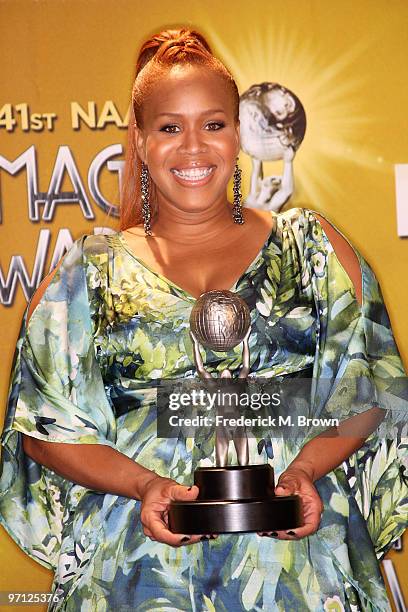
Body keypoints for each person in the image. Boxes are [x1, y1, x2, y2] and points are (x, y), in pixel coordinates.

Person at [0, 27, 406, 612]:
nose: (193, 147)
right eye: (170, 128)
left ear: (237, 133)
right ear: (140, 141)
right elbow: (46, 430)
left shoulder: (314, 251)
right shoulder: (86, 276)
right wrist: (143, 485)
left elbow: (368, 393)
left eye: (212, 124)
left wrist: (306, 472)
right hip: (140, 578)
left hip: (302, 576)